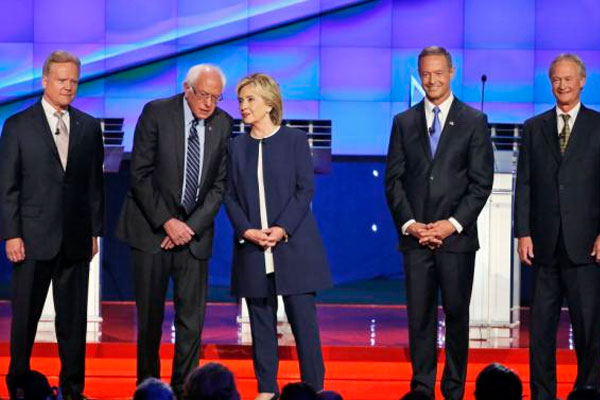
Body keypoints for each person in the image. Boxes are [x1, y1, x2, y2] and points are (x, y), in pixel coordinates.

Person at [116, 64, 233, 399]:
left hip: (193, 238)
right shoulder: (156, 112)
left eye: (216, 97)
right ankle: (149, 390)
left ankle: (185, 391)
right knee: (150, 321)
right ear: (187, 88)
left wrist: (189, 228)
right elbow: (139, 173)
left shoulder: (223, 124)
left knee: (191, 324)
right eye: (204, 94)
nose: (209, 103)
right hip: (151, 232)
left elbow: (218, 186)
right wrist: (167, 221)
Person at [385, 46, 494, 400]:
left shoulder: (474, 121)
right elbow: (394, 180)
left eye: (438, 73)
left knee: (457, 314)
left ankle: (454, 387)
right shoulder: (404, 121)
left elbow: (481, 182)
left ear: (451, 73)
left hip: (456, 240)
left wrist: (452, 224)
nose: (431, 80)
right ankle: (422, 386)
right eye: (425, 74)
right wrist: (411, 224)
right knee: (420, 316)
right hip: (415, 238)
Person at [0, 50, 104, 400]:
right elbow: (8, 186)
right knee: (25, 320)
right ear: (45, 80)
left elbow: (94, 186)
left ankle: (73, 391)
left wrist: (94, 232)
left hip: (75, 240)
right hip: (31, 239)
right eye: (62, 80)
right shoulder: (17, 125)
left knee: (73, 323)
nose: (68, 87)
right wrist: (11, 233)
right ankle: (18, 386)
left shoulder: (89, 127)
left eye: (74, 81)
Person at [225, 73, 332, 400]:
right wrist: (246, 230)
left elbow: (304, 190)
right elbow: (228, 195)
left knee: (304, 326)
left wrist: (282, 228)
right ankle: (267, 389)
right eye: (241, 100)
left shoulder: (295, 140)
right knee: (260, 324)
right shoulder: (235, 146)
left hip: (294, 246)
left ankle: (314, 389)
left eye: (250, 100)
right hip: (252, 247)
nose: (243, 106)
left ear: (270, 104)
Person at [515, 53, 600, 400]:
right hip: (544, 245)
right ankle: (543, 394)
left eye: (568, 79)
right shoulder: (535, 127)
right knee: (541, 330)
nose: (562, 86)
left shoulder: (598, 126)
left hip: (586, 246)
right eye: (556, 80)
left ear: (582, 82)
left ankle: (589, 390)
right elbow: (525, 184)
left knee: (589, 329)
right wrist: (523, 232)